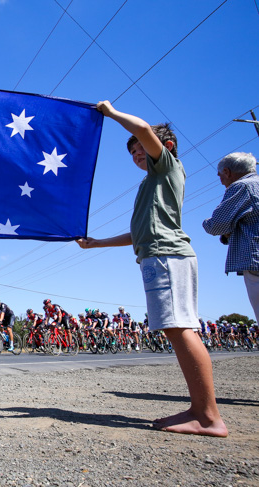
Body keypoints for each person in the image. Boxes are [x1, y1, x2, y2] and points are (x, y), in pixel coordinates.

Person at [77, 100, 227, 437]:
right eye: (131, 153)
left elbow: (144, 130)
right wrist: (97, 243)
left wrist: (112, 113)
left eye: (140, 149)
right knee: (177, 328)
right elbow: (140, 233)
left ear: (166, 147)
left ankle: (208, 417)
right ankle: (199, 409)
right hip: (156, 256)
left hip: (167, 257)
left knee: (180, 329)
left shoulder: (167, 168)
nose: (136, 155)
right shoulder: (149, 184)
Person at [202, 152, 259, 322]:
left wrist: (207, 223)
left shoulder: (241, 186)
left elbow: (216, 225)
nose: (221, 181)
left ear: (227, 172)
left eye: (220, 175)